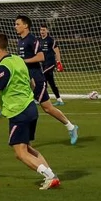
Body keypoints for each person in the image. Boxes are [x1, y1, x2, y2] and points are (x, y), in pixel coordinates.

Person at [0, 34, 61, 190]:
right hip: (31, 108)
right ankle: (51, 175)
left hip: (19, 112)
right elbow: (32, 83)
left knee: (20, 152)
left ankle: (50, 176)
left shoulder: (3, 66)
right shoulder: (18, 60)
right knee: (27, 147)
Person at [13, 16, 78, 145]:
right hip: (26, 80)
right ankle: (27, 139)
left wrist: (24, 61)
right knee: (26, 108)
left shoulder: (32, 40)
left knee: (47, 108)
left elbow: (41, 56)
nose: (15, 26)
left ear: (25, 26)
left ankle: (71, 127)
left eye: (17, 24)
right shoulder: (20, 41)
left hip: (37, 78)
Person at [38, 25, 64, 105]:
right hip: (43, 64)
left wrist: (59, 62)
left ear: (47, 31)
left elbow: (57, 51)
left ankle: (40, 98)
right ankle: (59, 100)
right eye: (41, 30)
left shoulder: (50, 40)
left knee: (42, 78)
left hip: (51, 63)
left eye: (44, 30)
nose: (42, 32)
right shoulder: (38, 41)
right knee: (51, 82)